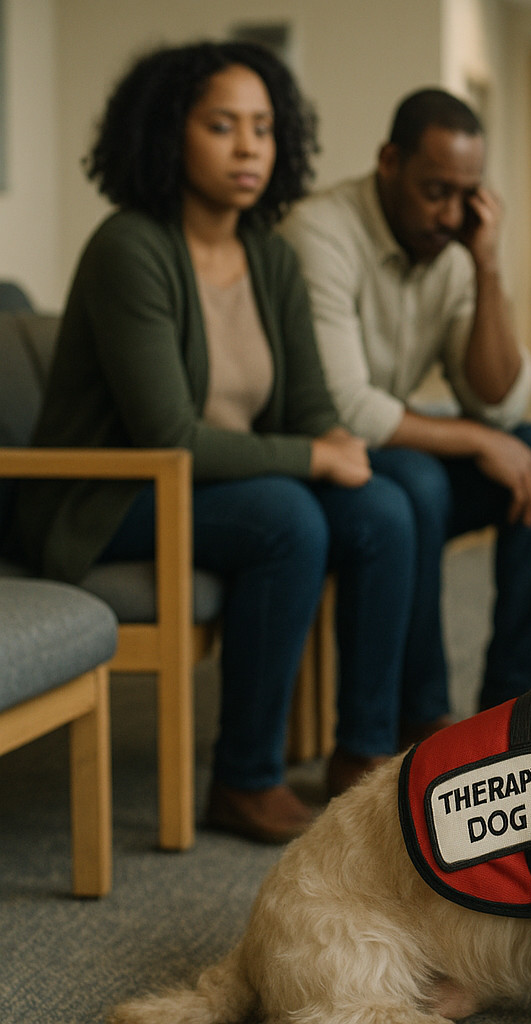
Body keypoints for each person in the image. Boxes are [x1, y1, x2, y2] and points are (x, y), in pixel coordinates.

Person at [9, 41, 421, 842]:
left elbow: (304, 404)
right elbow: (166, 434)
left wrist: (331, 444)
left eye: (263, 128)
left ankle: (365, 755)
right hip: (105, 494)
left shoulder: (268, 254)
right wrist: (311, 457)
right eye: (222, 125)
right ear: (170, 133)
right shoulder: (130, 248)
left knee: (382, 510)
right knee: (286, 517)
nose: (247, 148)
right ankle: (243, 777)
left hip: (213, 485)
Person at [278, 88, 531, 724]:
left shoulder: (457, 247)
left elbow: (497, 401)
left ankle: (515, 717)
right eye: (434, 190)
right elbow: (345, 406)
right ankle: (425, 727)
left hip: (380, 442)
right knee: (418, 481)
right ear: (389, 162)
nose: (449, 214)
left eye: (466, 195)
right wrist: (476, 441)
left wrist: (488, 266)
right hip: (310, 452)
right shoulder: (320, 233)